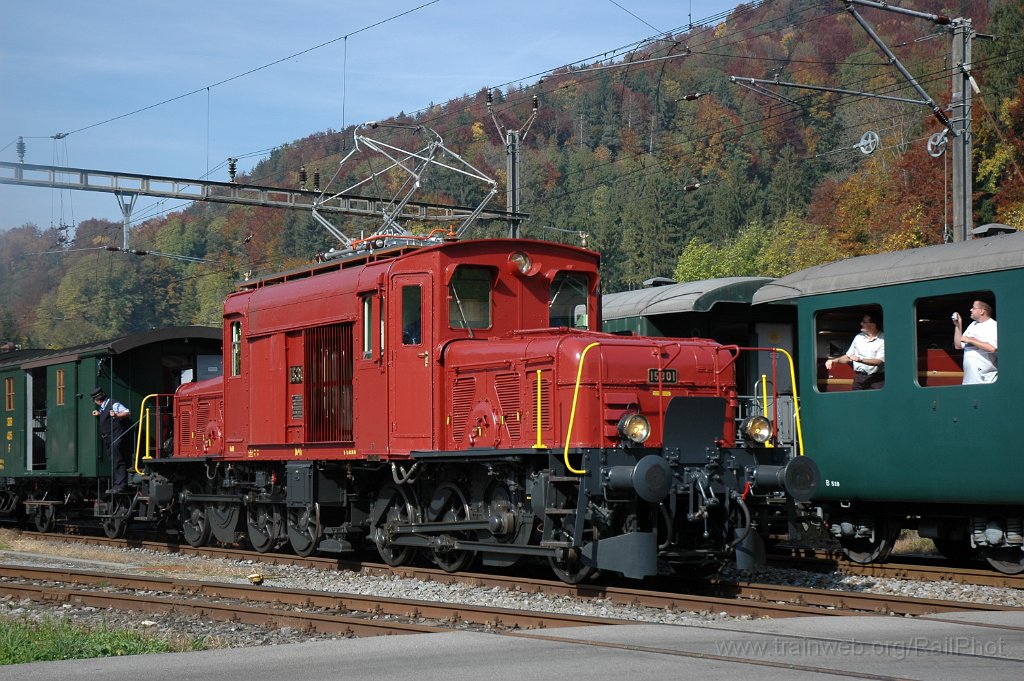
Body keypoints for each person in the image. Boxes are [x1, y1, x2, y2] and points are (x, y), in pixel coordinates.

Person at [825, 313, 885, 390]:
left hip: (877, 379)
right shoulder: (858, 337)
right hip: (859, 378)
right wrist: (834, 361)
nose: (861, 323)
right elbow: (848, 357)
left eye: (864, 322)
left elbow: (879, 361)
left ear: (873, 325)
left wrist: (860, 360)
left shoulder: (883, 339)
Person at [91, 387, 131, 492]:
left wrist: (117, 415)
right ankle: (117, 484)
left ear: (98, 400)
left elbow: (127, 412)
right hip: (108, 438)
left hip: (116, 436)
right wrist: (99, 414)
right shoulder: (104, 407)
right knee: (113, 460)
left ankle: (121, 485)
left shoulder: (113, 403)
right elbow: (107, 416)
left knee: (118, 460)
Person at [953, 300, 997, 384]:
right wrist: (958, 325)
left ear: (982, 311)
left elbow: (992, 348)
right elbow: (958, 345)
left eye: (973, 308)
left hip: (985, 381)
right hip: (968, 380)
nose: (970, 310)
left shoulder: (993, 326)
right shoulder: (972, 325)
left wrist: (971, 340)